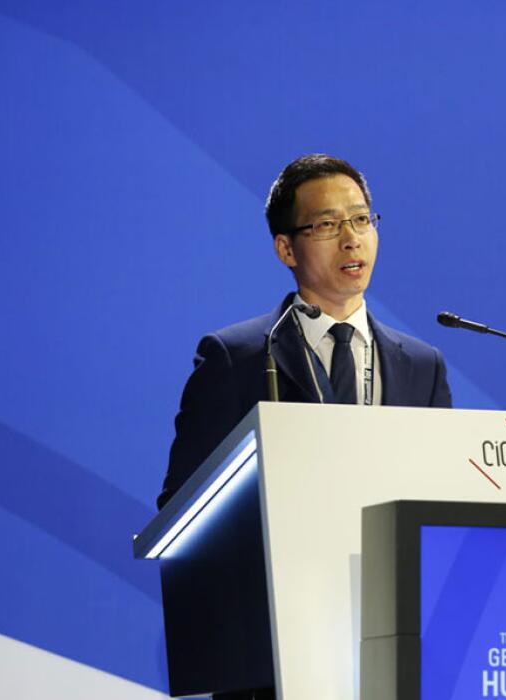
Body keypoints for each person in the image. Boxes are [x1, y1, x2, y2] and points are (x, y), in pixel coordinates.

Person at [159, 153, 453, 509]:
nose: (351, 239)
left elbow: (440, 499)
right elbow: (182, 505)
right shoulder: (237, 358)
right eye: (327, 225)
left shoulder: (423, 367)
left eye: (361, 219)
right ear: (286, 249)